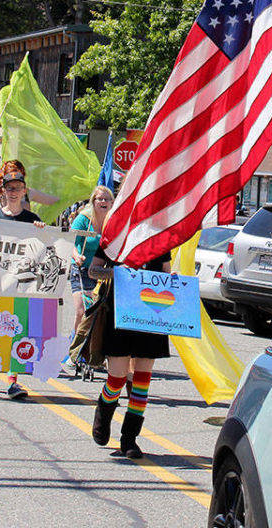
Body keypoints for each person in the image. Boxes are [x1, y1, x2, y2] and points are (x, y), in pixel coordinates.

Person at [88, 248, 171, 459]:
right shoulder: (115, 236)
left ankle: (129, 438)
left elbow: (166, 273)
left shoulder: (161, 238)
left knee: (142, 382)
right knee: (116, 379)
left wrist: (173, 283)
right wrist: (116, 272)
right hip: (120, 313)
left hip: (151, 314)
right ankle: (103, 414)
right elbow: (93, 271)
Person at [0, 160, 41, 398]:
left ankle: (13, 380)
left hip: (20, 285)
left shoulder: (31, 219)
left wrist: (41, 231)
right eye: (9, 188)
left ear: (24, 191)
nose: (13, 192)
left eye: (18, 188)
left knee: (18, 329)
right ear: (3, 191)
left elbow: (44, 248)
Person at [68, 186, 113, 347]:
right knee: (82, 311)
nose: (103, 201)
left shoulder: (112, 222)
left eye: (106, 199)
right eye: (99, 199)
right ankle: (74, 349)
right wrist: (76, 255)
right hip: (80, 270)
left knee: (97, 314)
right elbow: (70, 241)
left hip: (101, 273)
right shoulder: (83, 219)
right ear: (93, 201)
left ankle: (90, 348)